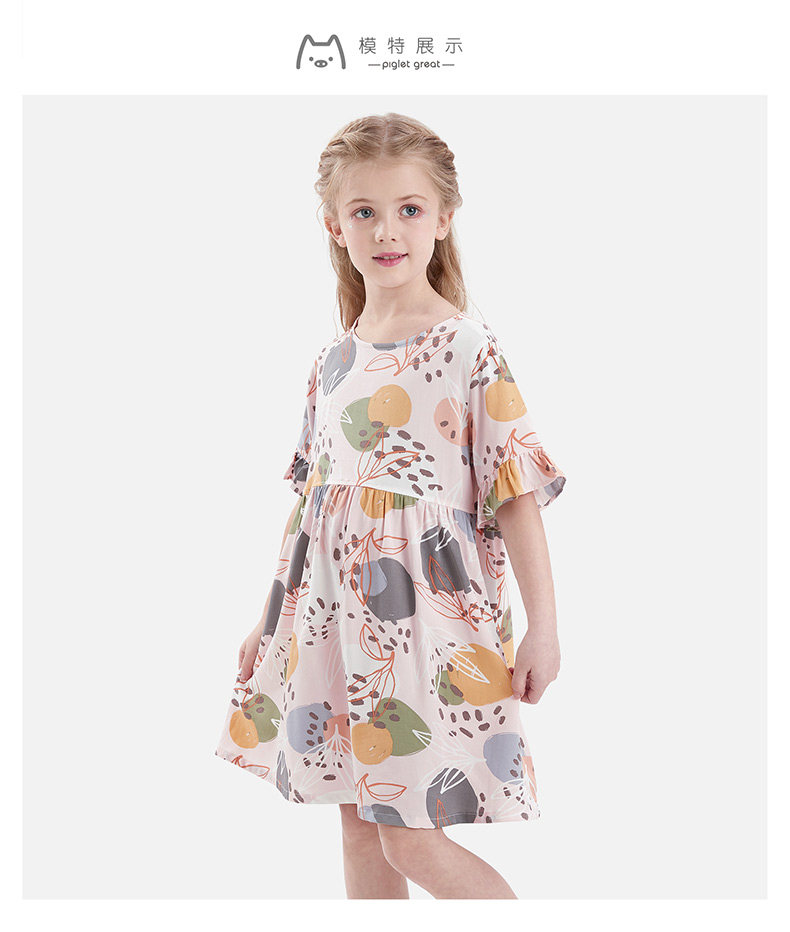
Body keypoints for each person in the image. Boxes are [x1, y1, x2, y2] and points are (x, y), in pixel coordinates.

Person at [214, 112, 567, 899]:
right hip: (332, 621)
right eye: (365, 211)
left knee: (413, 841)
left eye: (409, 209)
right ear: (335, 226)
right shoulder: (333, 361)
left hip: (423, 628)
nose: (387, 230)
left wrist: (544, 626)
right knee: (357, 826)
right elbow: (312, 506)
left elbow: (515, 491)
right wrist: (267, 622)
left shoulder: (467, 349)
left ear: (443, 218)